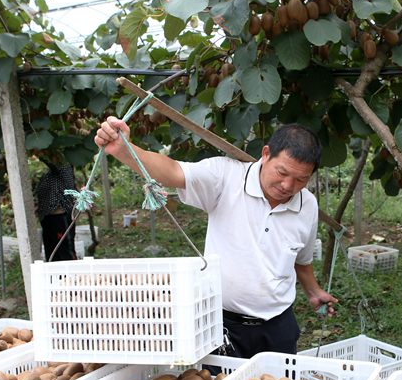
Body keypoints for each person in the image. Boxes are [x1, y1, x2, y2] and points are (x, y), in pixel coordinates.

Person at [95, 116, 337, 358]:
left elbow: (301, 260)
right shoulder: (225, 177)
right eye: (282, 172)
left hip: (278, 325)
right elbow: (173, 171)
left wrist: (314, 292)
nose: (287, 185)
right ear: (266, 154)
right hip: (223, 324)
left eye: (300, 179)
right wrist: (126, 151)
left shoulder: (308, 205)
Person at [35, 163, 78, 261]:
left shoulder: (63, 163)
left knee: (66, 252)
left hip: (61, 216)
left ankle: (73, 275)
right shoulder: (45, 170)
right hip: (47, 216)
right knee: (51, 254)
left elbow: (53, 164)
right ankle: (55, 276)